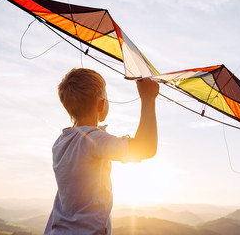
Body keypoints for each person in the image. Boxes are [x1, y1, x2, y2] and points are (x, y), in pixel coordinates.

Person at [44, 68, 159, 235]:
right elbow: (145, 148)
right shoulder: (94, 141)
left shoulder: (60, 143)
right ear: (101, 104)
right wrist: (148, 98)